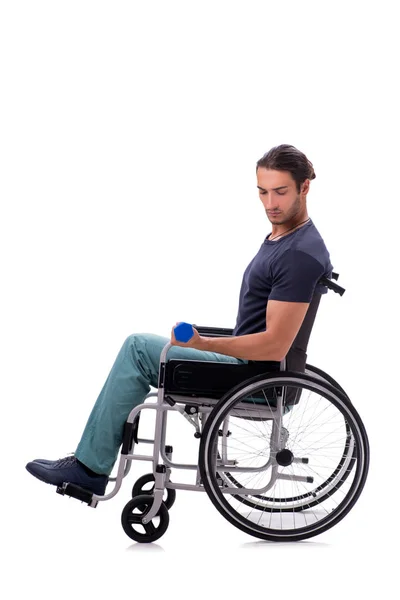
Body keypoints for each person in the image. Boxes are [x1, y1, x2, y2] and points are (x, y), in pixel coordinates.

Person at [26, 143, 333, 496]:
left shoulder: (299, 255)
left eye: (280, 192)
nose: (269, 204)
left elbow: (275, 343)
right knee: (146, 346)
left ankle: (89, 468)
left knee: (139, 348)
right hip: (245, 364)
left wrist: (203, 343)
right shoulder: (284, 239)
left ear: (304, 188)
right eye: (262, 192)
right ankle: (89, 463)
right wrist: (204, 340)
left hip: (252, 374)